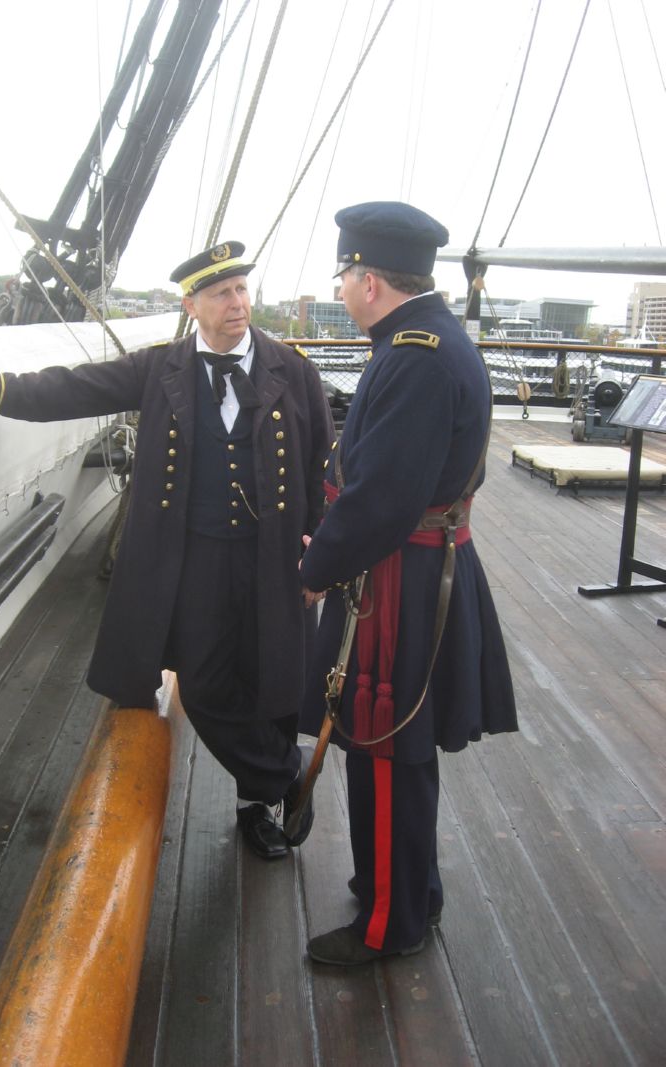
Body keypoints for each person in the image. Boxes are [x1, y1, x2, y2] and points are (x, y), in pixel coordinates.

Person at [0, 240, 334, 860]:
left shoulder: (293, 370)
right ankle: (285, 773)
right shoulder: (160, 370)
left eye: (241, 289)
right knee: (204, 685)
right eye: (220, 293)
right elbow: (73, 390)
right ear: (191, 305)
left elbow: (323, 465)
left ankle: (257, 806)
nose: (237, 303)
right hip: (196, 559)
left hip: (273, 558)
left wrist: (320, 550)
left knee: (272, 678)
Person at [298, 202, 518, 965]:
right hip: (417, 566)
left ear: (368, 279)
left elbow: (382, 498)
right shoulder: (429, 338)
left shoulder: (416, 356)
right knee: (400, 749)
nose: (342, 290)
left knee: (385, 746)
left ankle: (391, 921)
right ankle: (413, 888)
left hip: (399, 580)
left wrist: (315, 570)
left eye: (344, 276)